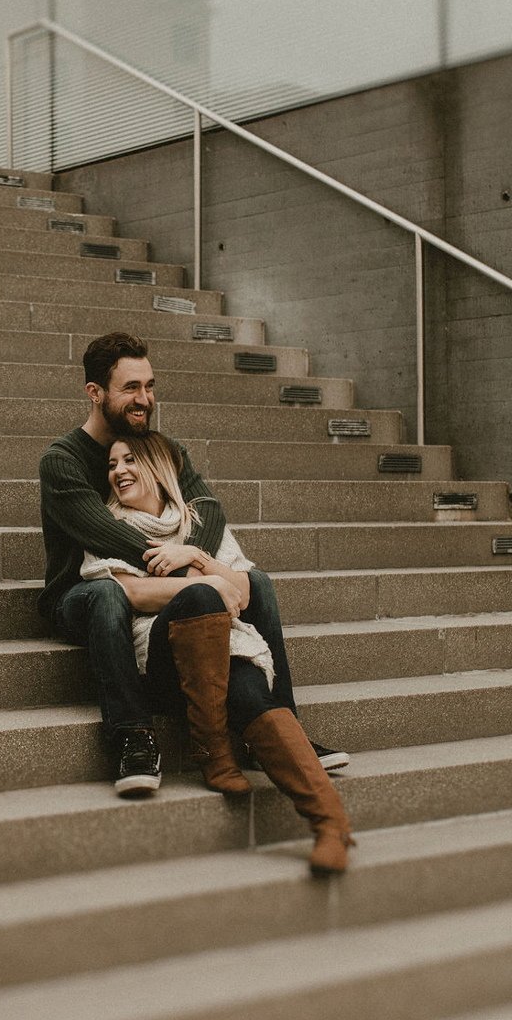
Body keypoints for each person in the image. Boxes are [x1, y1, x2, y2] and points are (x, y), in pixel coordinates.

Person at [36, 333, 353, 870]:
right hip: (81, 592)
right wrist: (192, 570)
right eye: (130, 387)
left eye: (150, 386)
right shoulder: (64, 460)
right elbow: (105, 535)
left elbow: (207, 507)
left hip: (180, 591)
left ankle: (283, 725)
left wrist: (193, 555)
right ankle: (133, 735)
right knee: (112, 596)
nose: (144, 398)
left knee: (262, 585)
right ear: (95, 392)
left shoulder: (162, 447)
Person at [84, 430, 354, 876]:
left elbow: (249, 589)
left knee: (251, 697)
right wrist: (207, 583)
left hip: (226, 645)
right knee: (200, 600)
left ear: (158, 467)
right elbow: (128, 592)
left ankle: (331, 824)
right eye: (112, 465)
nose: (118, 472)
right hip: (163, 660)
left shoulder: (197, 523)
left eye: (129, 461)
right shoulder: (107, 526)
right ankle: (211, 747)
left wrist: (197, 557)